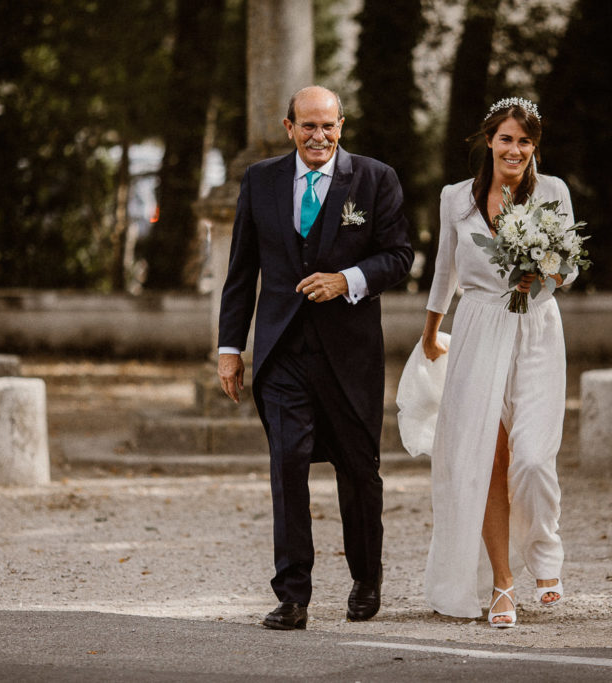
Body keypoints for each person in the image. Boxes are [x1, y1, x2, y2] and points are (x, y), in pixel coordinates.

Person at [217, 85, 413, 630]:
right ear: (289, 128)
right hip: (281, 353)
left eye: (327, 126)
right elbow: (241, 270)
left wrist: (347, 280)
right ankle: (293, 595)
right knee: (287, 468)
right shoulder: (260, 181)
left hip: (349, 355)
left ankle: (365, 578)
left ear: (341, 126)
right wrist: (231, 348)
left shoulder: (375, 179)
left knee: (358, 470)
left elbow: (400, 256)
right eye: (307, 126)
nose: (318, 136)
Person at [420, 97, 575, 627]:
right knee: (486, 457)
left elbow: (570, 269)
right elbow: (444, 268)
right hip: (478, 329)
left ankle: (546, 553)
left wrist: (544, 273)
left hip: (536, 329)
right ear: (489, 140)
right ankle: (503, 583)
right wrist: (430, 333)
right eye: (506, 139)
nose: (515, 149)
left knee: (532, 457)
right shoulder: (455, 199)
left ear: (534, 147)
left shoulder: (553, 192)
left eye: (525, 141)